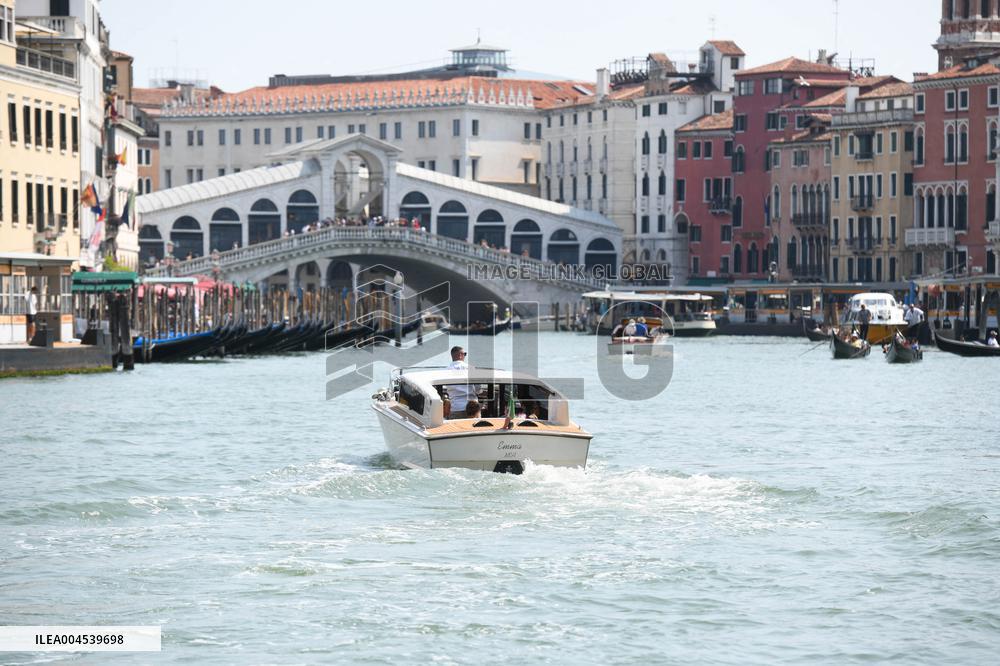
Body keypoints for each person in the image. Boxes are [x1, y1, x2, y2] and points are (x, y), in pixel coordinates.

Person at [446, 346, 476, 418]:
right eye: (464, 354)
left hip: (456, 407)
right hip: (473, 407)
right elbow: (478, 388)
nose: (465, 356)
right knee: (475, 428)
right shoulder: (471, 368)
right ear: (460, 355)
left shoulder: (447, 370)